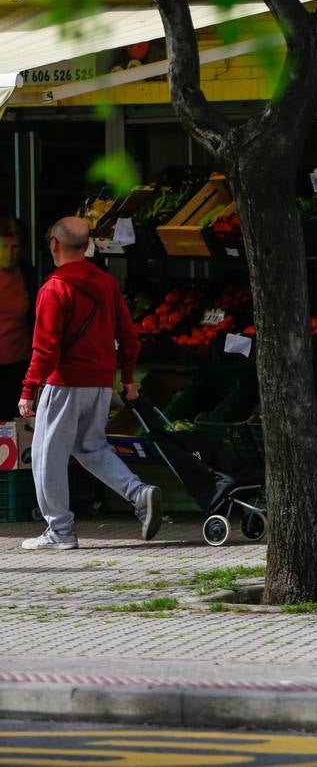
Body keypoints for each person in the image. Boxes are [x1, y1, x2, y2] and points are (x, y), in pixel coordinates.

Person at [18, 216, 161, 551]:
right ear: (87, 247)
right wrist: (127, 380)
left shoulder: (54, 288)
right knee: (92, 448)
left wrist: (29, 390)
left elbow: (45, 348)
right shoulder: (108, 284)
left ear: (54, 245)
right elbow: (129, 338)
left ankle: (60, 531)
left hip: (64, 383)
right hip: (100, 385)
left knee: (46, 456)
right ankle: (139, 493)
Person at [0, 219, 36, 420]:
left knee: (17, 426)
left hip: (19, 368)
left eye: (14, 247)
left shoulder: (28, 275)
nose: (9, 252)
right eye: (4, 246)